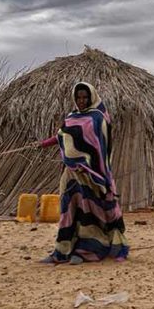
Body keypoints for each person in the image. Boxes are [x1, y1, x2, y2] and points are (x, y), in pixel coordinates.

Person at [36, 82, 129, 264]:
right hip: (71, 174)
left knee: (89, 211)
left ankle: (88, 250)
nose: (81, 101)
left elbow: (98, 144)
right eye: (78, 97)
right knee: (68, 211)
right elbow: (62, 136)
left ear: (91, 97)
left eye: (85, 97)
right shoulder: (71, 117)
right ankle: (62, 250)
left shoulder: (98, 118)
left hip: (90, 174)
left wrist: (89, 165)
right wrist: (43, 144)